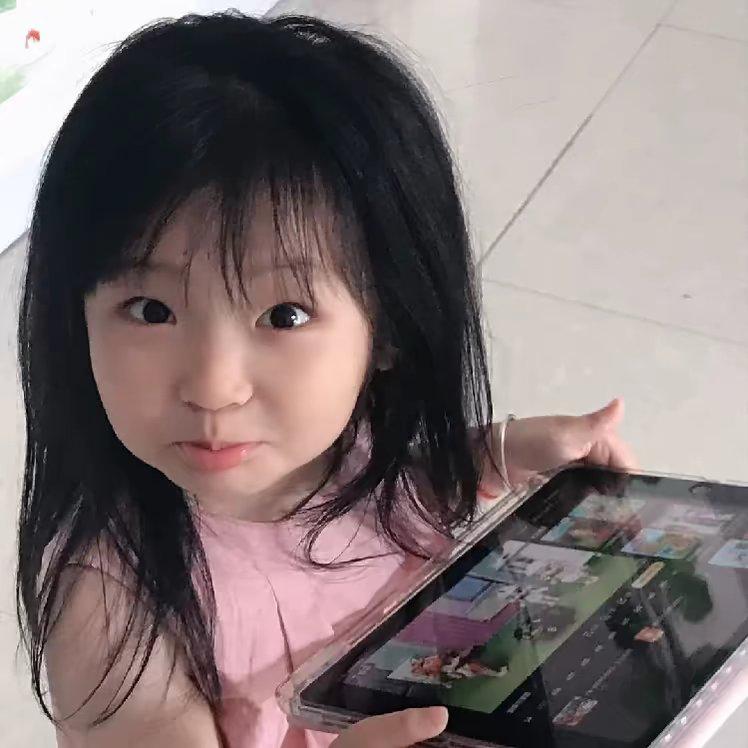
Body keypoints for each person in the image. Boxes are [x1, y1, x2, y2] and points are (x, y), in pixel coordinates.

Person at [15, 12, 635, 748]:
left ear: (390, 325)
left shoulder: (346, 451)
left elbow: (404, 493)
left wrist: (510, 450)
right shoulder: (111, 596)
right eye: (151, 310)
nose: (213, 388)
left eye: (284, 315)